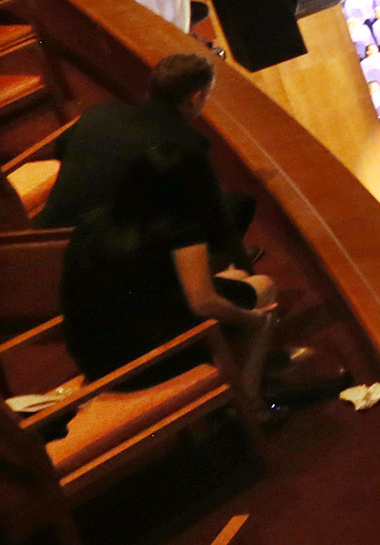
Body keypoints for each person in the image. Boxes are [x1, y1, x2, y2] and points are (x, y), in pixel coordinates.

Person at [58, 154, 284, 423]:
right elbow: (203, 303)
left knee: (235, 275)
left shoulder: (95, 219)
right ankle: (249, 406)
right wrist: (252, 319)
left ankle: (241, 377)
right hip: (142, 367)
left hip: (94, 359)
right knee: (264, 292)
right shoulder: (182, 225)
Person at [37, 55, 251, 253]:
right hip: (104, 253)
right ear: (195, 98)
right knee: (239, 205)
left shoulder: (103, 110)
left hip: (42, 237)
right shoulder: (187, 143)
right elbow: (211, 220)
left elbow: (61, 149)